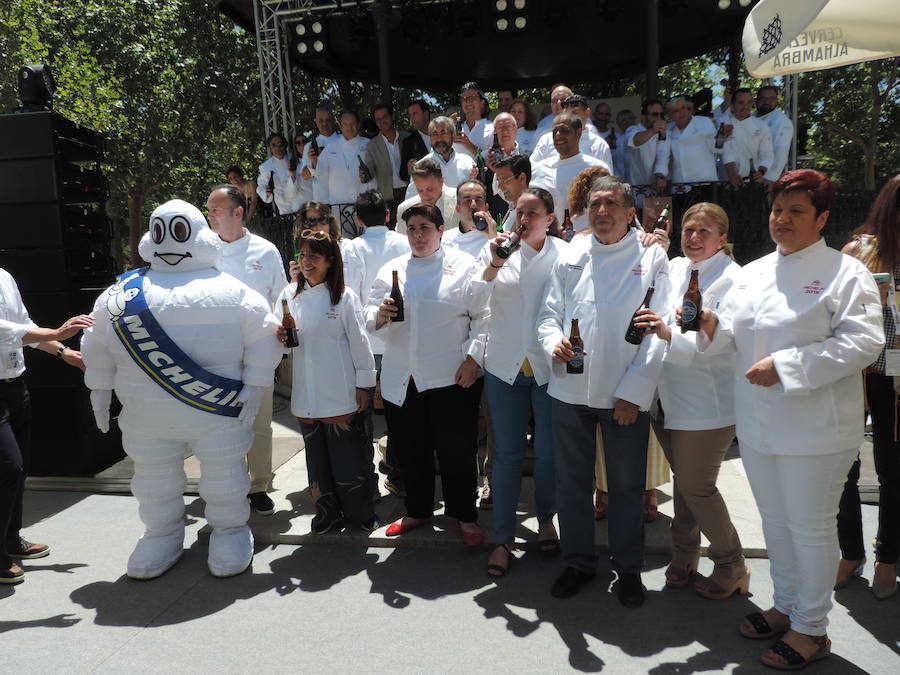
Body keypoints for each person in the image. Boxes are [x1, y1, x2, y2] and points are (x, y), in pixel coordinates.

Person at [648, 170, 883, 667]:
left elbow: (864, 342)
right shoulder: (753, 271)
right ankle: (786, 607)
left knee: (811, 527)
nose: (783, 219)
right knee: (776, 523)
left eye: (797, 211)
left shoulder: (846, 273)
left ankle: (812, 628)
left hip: (815, 429)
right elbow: (730, 334)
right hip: (757, 425)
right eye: (778, 210)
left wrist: (786, 366)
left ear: (822, 218)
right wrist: (712, 324)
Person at [83, 199, 283, 579]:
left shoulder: (228, 290)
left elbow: (263, 333)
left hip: (210, 413)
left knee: (223, 476)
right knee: (153, 477)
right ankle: (161, 533)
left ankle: (229, 530)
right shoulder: (123, 294)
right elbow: (97, 342)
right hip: (151, 416)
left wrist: (257, 382)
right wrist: (99, 389)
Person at [537, 175, 671, 608]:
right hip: (569, 390)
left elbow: (656, 330)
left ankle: (628, 569)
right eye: (595, 204)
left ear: (631, 212)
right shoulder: (572, 252)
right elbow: (548, 314)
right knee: (572, 484)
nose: (602, 212)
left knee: (627, 486)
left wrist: (636, 391)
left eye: (612, 203)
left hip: (623, 395)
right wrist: (550, 342)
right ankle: (578, 563)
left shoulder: (651, 257)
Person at [636, 202, 748, 599]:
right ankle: (683, 556)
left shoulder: (735, 279)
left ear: (722, 237)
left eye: (703, 231)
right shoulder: (676, 266)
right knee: (685, 485)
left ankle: (732, 563)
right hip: (666, 398)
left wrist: (668, 334)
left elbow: (727, 341)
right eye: (688, 230)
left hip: (707, 404)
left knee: (697, 486)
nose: (694, 238)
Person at [366, 202, 491, 546]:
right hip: (402, 378)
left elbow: (485, 316)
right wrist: (379, 315)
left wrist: (473, 359)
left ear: (440, 230)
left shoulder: (465, 267)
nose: (418, 235)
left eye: (424, 227)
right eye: (412, 229)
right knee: (410, 451)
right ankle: (418, 510)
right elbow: (366, 317)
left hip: (452, 376)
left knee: (457, 451)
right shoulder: (391, 269)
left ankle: (464, 515)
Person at [479, 187, 567, 577]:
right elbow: (476, 293)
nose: (524, 218)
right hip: (504, 366)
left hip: (550, 369)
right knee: (508, 455)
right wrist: (497, 262)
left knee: (548, 452)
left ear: (550, 218)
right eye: (519, 211)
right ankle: (502, 539)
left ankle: (546, 519)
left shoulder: (567, 255)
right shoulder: (498, 250)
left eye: (533, 212)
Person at [278, 228, 377, 533]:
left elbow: (361, 345)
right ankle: (326, 513)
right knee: (317, 463)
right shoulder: (288, 296)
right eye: (302, 255)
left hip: (340, 391)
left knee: (349, 460)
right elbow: (281, 339)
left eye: (314, 256)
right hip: (306, 394)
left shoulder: (344, 298)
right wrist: (280, 338)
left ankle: (359, 513)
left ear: (331, 261)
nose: (306, 262)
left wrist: (365, 385)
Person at [0, 272, 92, 584]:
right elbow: (5, 331)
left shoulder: (4, 277)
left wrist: (63, 352)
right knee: (8, 467)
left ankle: (10, 540)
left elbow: (25, 325)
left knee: (19, 468)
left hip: (15, 386)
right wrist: (58, 332)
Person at [835, 173, 900, 600]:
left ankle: (888, 557)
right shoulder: (859, 250)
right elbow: (833, 311)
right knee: (842, 467)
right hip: (854, 372)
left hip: (896, 379)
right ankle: (850, 551)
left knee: (894, 471)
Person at [207, 184, 288, 517]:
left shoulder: (265, 251)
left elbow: (283, 297)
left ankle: (258, 486)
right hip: (214, 354)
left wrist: (283, 328)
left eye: (215, 210)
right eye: (209, 209)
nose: (209, 215)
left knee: (258, 423)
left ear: (237, 213)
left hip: (256, 352)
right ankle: (224, 483)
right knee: (219, 424)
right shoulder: (202, 252)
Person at [344, 191, 410, 496]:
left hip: (367, 339)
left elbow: (351, 294)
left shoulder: (353, 248)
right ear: (388, 215)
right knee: (399, 408)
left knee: (365, 412)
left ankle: (366, 476)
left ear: (357, 220)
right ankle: (397, 470)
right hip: (397, 336)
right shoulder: (403, 241)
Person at [530, 112, 609, 223]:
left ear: (578, 133)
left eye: (564, 130)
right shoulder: (539, 170)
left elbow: (612, 204)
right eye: (554, 132)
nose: (558, 135)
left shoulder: (597, 169)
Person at [308, 110, 377, 235]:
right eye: (345, 124)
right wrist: (314, 161)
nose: (349, 128)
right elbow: (320, 174)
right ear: (340, 126)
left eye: (352, 124)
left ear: (358, 125)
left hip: (365, 204)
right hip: (339, 206)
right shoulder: (331, 148)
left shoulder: (368, 144)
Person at [653, 95, 720, 192]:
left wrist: (722, 137)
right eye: (676, 111)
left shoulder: (703, 122)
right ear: (669, 116)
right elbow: (662, 155)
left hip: (706, 184)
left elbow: (716, 148)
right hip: (680, 186)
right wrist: (660, 176)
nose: (681, 113)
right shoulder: (667, 130)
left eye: (683, 108)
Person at [403, 117, 475, 201]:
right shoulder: (420, 167)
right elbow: (411, 201)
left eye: (443, 132)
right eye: (434, 134)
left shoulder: (468, 162)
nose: (439, 138)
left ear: (453, 135)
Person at [530, 95, 612, 168]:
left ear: (587, 113)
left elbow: (605, 179)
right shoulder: (546, 140)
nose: (570, 118)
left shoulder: (599, 145)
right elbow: (532, 168)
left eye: (575, 113)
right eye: (566, 113)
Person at [365, 103, 409, 225]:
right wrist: (364, 174)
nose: (382, 121)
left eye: (385, 117)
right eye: (378, 119)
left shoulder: (407, 138)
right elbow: (369, 174)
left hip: (409, 191)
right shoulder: (372, 145)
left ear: (392, 117)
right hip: (388, 197)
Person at [722, 88, 774, 188]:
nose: (745, 106)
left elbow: (767, 155)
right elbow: (726, 152)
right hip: (726, 183)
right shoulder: (724, 124)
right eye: (741, 103)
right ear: (732, 106)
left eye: (749, 102)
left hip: (753, 183)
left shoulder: (762, 126)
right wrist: (732, 175)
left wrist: (761, 171)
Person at [396, 158, 460, 234]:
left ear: (441, 181)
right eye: (420, 190)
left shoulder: (460, 200)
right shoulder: (404, 209)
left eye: (430, 189)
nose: (425, 195)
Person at [754, 85, 795, 185]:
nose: (767, 102)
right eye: (763, 98)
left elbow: (780, 152)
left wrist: (770, 179)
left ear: (777, 101)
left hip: (764, 180)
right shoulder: (749, 117)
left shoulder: (781, 121)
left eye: (771, 98)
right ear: (756, 100)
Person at [443, 180, 495, 259]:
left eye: (478, 200)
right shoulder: (444, 240)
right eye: (467, 200)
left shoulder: (496, 238)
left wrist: (493, 237)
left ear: (486, 207)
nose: (473, 205)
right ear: (458, 208)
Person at [300, 106, 338, 204]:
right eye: (321, 120)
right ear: (316, 122)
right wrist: (313, 161)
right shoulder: (310, 146)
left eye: (328, 120)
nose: (324, 124)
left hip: (345, 198)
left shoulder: (343, 140)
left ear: (334, 121)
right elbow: (305, 176)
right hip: (323, 201)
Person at [625, 100, 667, 187]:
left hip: (657, 191)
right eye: (655, 115)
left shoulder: (664, 132)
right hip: (636, 189)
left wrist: (660, 176)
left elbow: (663, 156)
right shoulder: (632, 129)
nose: (659, 118)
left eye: (661, 115)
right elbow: (634, 141)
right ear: (643, 117)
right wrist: (653, 131)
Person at [256, 132, 298, 216]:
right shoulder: (266, 166)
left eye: (280, 144)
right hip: (283, 203)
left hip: (300, 198)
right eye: (274, 145)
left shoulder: (295, 159)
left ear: (285, 145)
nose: (277, 148)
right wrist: (266, 192)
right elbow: (261, 186)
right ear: (270, 147)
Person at [494, 154, 531, 232]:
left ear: (522, 178)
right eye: (498, 181)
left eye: (503, 180)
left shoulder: (530, 213)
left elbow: (513, 243)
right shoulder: (513, 207)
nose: (500, 187)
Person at [399, 99, 432, 183]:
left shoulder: (442, 134)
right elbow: (403, 175)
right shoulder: (408, 142)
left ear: (425, 114)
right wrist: (409, 169)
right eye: (410, 115)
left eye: (414, 114)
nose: (411, 119)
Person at [456, 81, 493, 154]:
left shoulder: (493, 129)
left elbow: (496, 160)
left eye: (472, 98)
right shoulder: (455, 130)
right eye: (464, 99)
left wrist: (470, 146)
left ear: (482, 103)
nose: (467, 101)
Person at [289, 133, 312, 208]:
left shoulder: (315, 159)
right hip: (300, 206)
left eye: (304, 141)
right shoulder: (292, 165)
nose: (302, 144)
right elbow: (289, 193)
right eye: (298, 143)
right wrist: (293, 176)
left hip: (317, 203)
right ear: (295, 147)